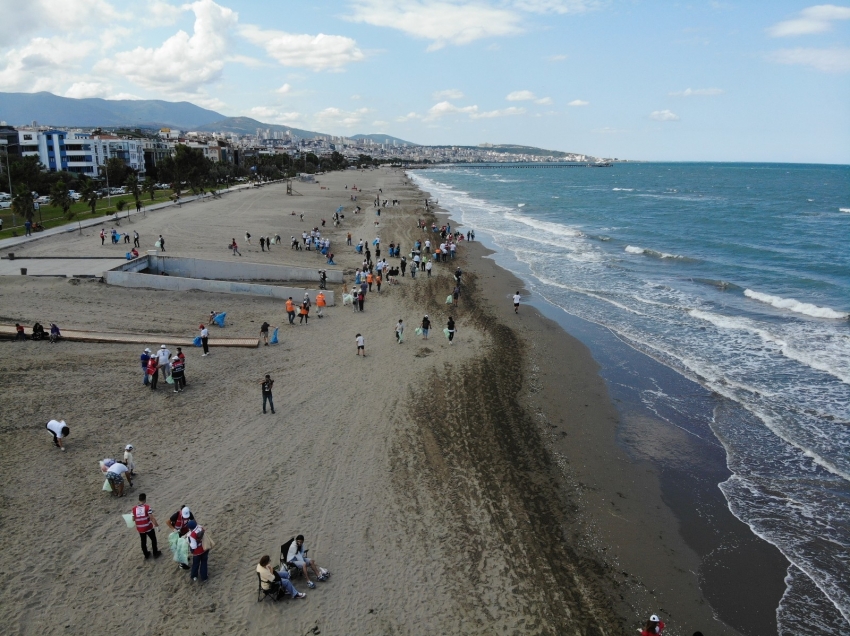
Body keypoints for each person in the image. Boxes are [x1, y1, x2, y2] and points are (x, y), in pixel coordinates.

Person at [133, 494, 162, 559]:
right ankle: (155, 553)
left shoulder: (134, 509)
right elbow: (151, 517)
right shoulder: (147, 507)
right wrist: (157, 526)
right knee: (153, 539)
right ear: (145, 499)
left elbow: (133, 519)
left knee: (143, 541)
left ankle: (146, 554)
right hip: (148, 527)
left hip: (140, 528)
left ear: (139, 499)